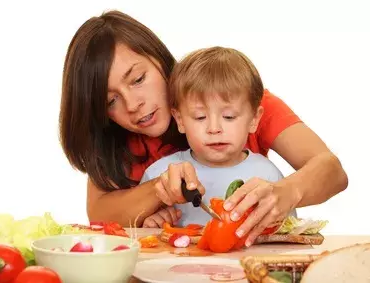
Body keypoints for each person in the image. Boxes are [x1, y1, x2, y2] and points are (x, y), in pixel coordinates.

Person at [59, 10, 348, 245]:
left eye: (137, 79)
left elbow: (331, 170)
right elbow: (99, 214)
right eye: (111, 101)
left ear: (159, 59)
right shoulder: (116, 139)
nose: (133, 104)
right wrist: (158, 193)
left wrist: (288, 191)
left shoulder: (234, 100)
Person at [140, 46, 297, 228]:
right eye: (200, 117)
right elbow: (142, 239)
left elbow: (288, 234)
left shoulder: (268, 175)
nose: (214, 129)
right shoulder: (159, 175)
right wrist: (152, 224)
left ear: (254, 119)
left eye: (229, 117)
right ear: (180, 120)